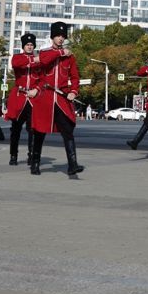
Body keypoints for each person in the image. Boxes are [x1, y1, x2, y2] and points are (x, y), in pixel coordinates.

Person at [29, 21, 83, 177]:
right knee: (40, 131)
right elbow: (44, 61)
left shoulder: (70, 57)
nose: (60, 38)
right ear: (52, 37)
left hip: (61, 98)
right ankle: (35, 162)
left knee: (68, 130)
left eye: (62, 36)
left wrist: (74, 91)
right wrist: (61, 53)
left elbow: (75, 77)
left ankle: (72, 165)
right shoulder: (45, 52)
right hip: (45, 97)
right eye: (58, 36)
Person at [6, 32, 41, 166]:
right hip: (19, 96)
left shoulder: (39, 61)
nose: (30, 47)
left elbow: (42, 78)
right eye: (27, 45)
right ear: (23, 46)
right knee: (15, 128)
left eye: (32, 45)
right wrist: (33, 60)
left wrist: (36, 90)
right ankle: (13, 155)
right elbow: (16, 64)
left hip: (33, 98)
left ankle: (31, 155)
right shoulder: (18, 57)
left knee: (33, 129)